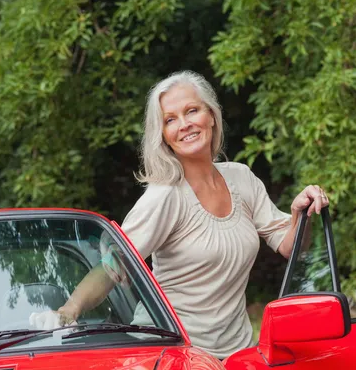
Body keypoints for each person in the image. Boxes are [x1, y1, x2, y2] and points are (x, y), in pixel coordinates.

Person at [56, 70, 329, 359]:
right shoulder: (165, 196)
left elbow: (291, 247)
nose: (184, 125)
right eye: (170, 119)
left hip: (238, 352)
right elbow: (111, 266)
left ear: (211, 115)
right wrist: (69, 310)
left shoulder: (242, 178)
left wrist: (300, 214)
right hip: (174, 353)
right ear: (163, 135)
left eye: (192, 111)